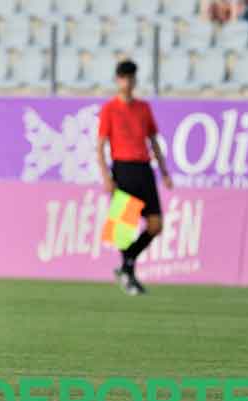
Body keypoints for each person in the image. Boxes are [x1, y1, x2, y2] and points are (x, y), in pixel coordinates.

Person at [97, 60, 172, 296]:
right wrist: (106, 177)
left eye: (131, 78)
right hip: (123, 168)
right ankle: (129, 274)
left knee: (155, 224)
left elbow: (154, 142)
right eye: (123, 78)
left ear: (135, 80)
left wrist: (164, 172)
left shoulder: (143, 108)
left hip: (143, 168)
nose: (127, 82)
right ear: (118, 80)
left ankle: (127, 263)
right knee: (123, 228)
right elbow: (100, 146)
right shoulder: (109, 109)